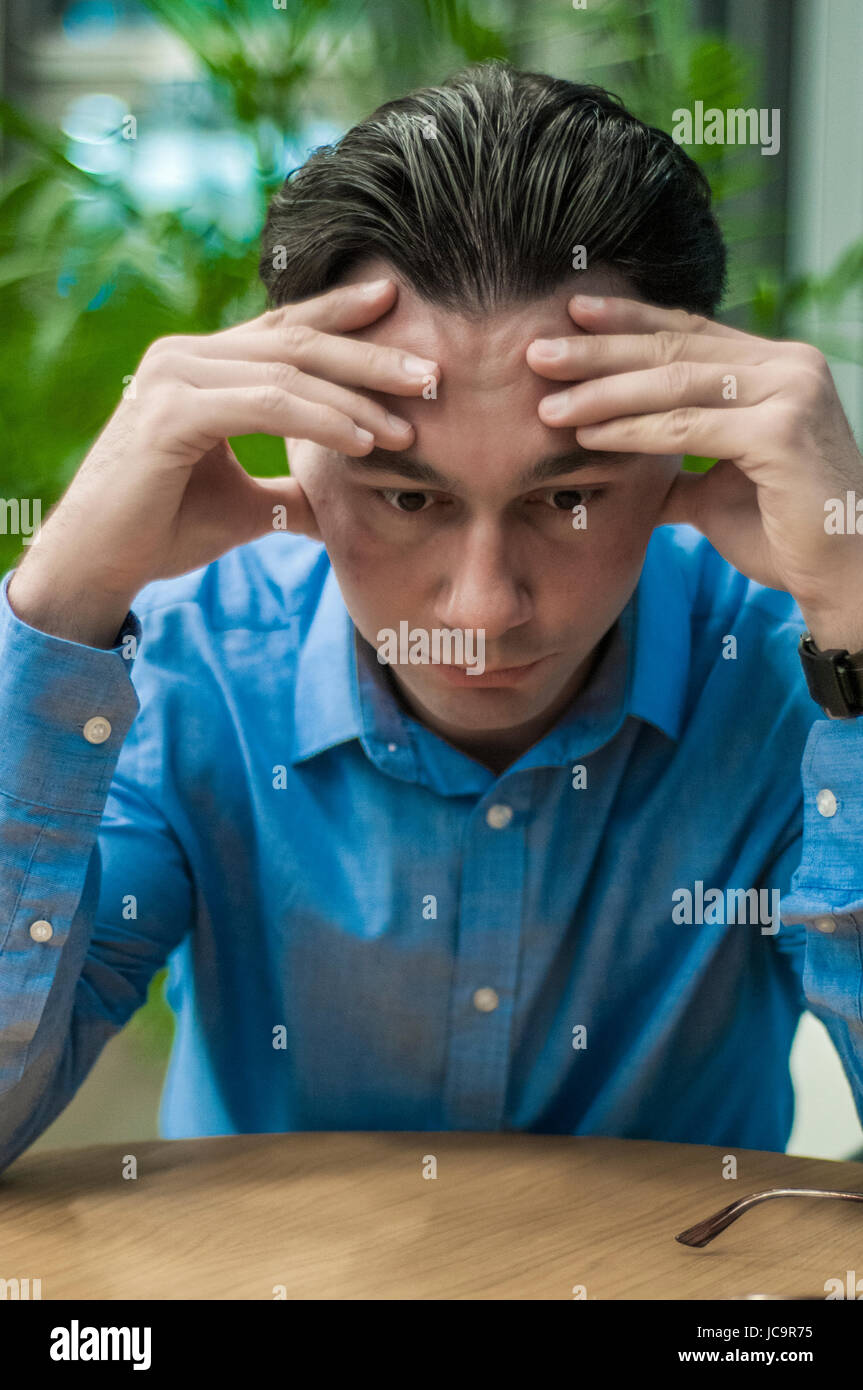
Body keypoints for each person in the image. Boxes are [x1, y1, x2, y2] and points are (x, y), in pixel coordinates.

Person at [1, 61, 862, 1172]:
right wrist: (62, 601)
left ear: (680, 450)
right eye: (408, 497)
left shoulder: (785, 675)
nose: (481, 608)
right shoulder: (186, 668)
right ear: (295, 450)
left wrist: (855, 612)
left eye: (569, 497)